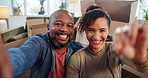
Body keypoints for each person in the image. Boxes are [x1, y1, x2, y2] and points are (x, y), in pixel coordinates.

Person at [66, 6, 148, 78]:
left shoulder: (115, 49)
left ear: (108, 31)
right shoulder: (76, 59)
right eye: (91, 30)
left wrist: (141, 59)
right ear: (85, 31)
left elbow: (144, 70)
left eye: (102, 30)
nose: (96, 37)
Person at [0, 10, 83, 78]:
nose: (64, 29)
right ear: (48, 27)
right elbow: (23, 55)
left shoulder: (76, 48)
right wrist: (6, 63)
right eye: (58, 24)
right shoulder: (39, 42)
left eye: (70, 26)